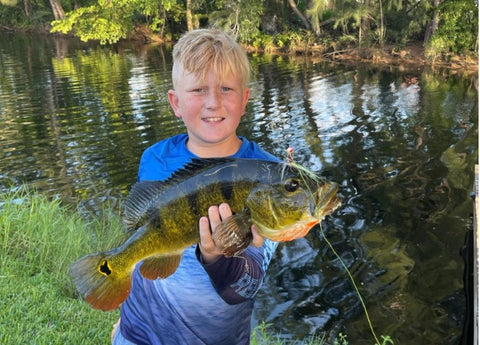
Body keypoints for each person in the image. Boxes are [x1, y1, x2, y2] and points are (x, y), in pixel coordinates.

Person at [111, 28, 279, 345]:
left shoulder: (268, 173)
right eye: (198, 90)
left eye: (226, 88)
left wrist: (217, 258)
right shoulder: (154, 159)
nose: (213, 103)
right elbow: (141, 238)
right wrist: (126, 320)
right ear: (175, 102)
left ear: (244, 99)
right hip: (138, 335)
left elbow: (246, 285)